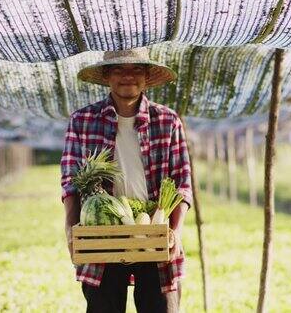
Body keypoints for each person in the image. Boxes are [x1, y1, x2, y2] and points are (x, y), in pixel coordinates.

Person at [60, 48, 193, 313]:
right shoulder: (83, 121)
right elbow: (71, 182)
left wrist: (176, 231)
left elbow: (182, 182)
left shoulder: (167, 121)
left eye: (135, 70)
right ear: (107, 76)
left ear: (146, 76)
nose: (127, 77)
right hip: (101, 235)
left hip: (154, 232)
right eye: (119, 70)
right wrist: (70, 229)